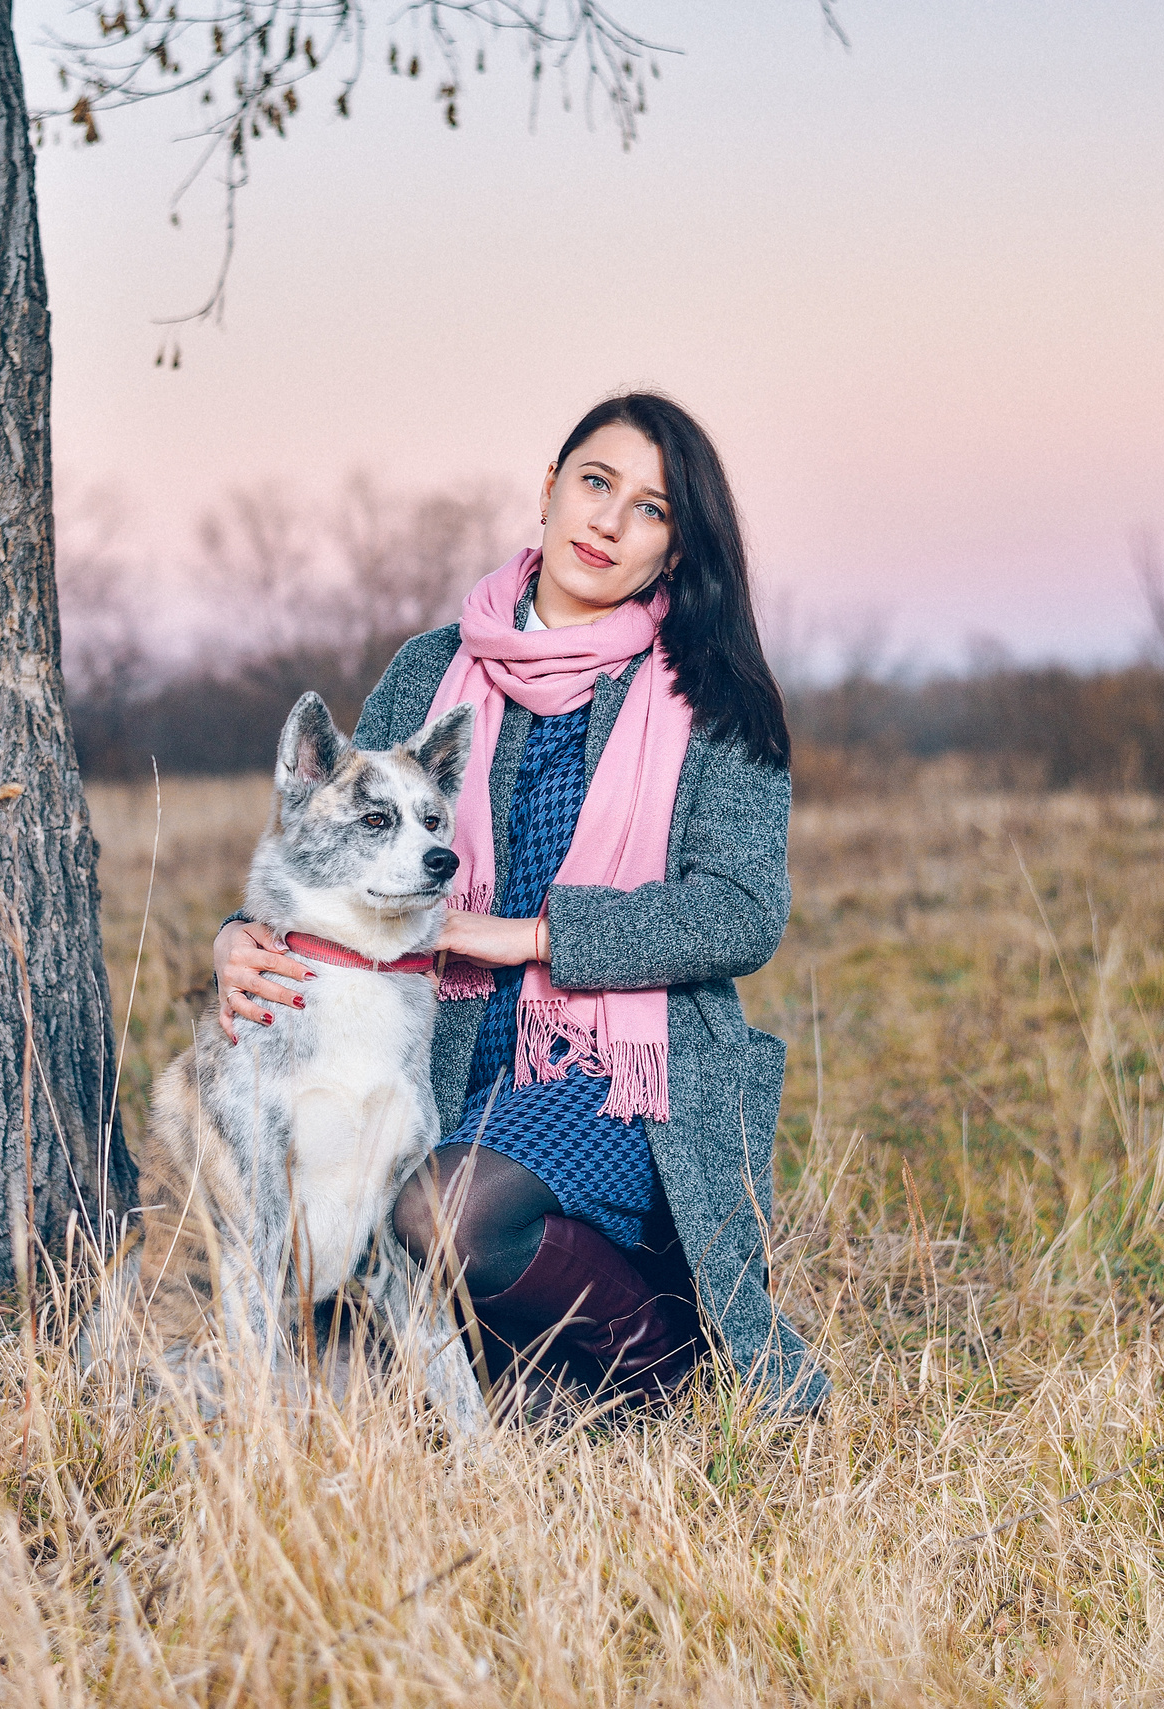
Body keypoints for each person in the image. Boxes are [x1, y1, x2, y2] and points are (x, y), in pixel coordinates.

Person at [210, 391, 827, 1417]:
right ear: (547, 491)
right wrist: (242, 935)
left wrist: (528, 937)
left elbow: (741, 910)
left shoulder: (712, 694)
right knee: (358, 1314)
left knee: (444, 1204)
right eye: (595, 482)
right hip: (436, 1049)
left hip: (631, 1074)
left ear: (673, 551)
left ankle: (662, 1367)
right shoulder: (431, 667)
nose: (607, 521)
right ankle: (531, 1369)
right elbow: (339, 829)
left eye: (651, 509)